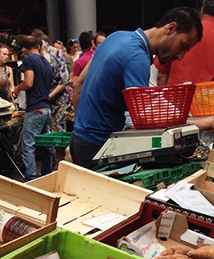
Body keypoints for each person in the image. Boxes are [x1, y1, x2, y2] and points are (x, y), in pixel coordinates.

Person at [70, 7, 203, 170]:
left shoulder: (116, 37)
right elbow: (146, 121)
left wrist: (81, 129)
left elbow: (79, 84)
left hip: (79, 141)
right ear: (170, 28)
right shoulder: (137, 58)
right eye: (183, 46)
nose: (180, 56)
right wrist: (200, 124)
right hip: (100, 149)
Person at [162, 0, 214, 85]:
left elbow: (161, 74)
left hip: (177, 95)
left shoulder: (179, 33)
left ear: (202, 11)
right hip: (211, 96)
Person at [13, 36, 53, 181]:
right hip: (46, 108)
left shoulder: (29, 60)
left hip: (35, 109)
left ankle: (31, 178)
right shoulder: (46, 63)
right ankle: (48, 174)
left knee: (28, 144)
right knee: (46, 144)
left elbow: (28, 82)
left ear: (25, 48)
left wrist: (17, 89)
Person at [31, 29, 72, 132]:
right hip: (41, 100)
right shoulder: (33, 55)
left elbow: (64, 80)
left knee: (57, 132)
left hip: (57, 99)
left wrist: (49, 96)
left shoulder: (56, 53)